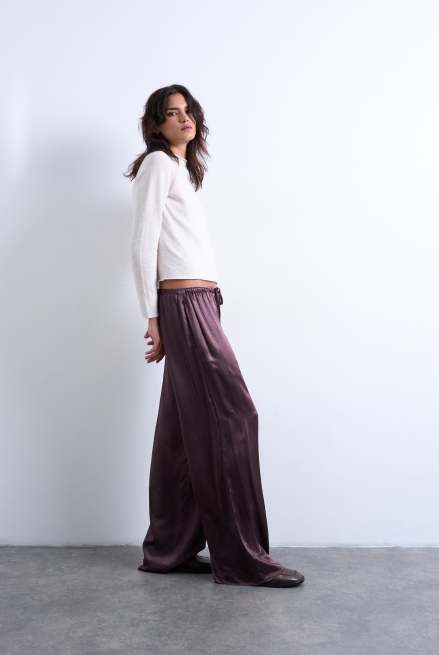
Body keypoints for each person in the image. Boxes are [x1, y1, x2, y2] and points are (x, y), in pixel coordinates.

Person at [125, 84, 304, 587]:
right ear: (156, 125)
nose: (183, 119)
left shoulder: (182, 170)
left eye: (188, 111)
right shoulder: (157, 165)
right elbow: (141, 244)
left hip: (202, 301)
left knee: (181, 433)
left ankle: (170, 549)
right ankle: (242, 559)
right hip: (182, 303)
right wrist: (153, 318)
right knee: (234, 416)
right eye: (172, 113)